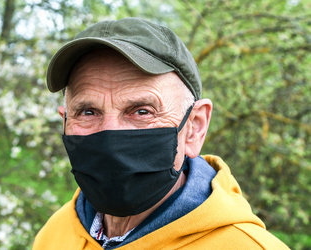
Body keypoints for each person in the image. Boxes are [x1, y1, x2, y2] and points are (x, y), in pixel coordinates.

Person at [33, 18, 288, 249]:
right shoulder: (55, 234)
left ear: (194, 127)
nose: (110, 137)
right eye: (88, 112)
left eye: (142, 111)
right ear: (65, 120)